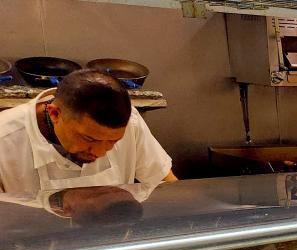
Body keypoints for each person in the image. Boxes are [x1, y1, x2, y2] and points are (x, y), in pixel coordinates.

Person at [0, 68, 175, 215]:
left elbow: (165, 183)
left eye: (113, 141)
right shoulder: (5, 137)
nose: (100, 152)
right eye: (89, 139)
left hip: (113, 236)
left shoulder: (131, 122)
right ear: (55, 114)